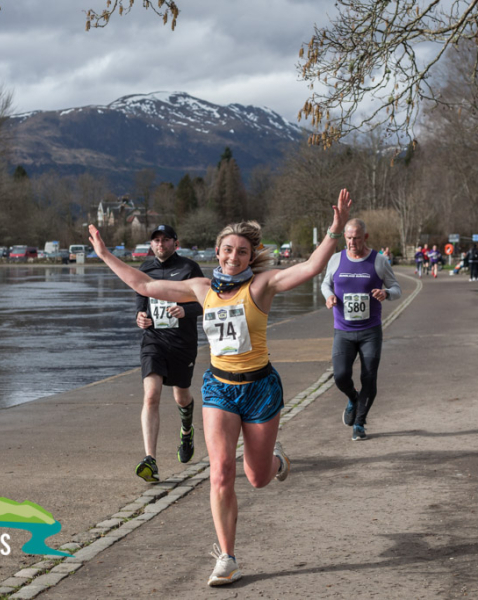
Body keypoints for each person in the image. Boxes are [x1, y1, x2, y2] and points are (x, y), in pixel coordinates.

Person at [88, 189, 352, 587]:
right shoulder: (200, 288)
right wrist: (106, 255)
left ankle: (277, 463)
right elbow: (144, 285)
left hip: (260, 389)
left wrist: (334, 230)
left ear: (251, 256)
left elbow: (312, 268)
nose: (233, 257)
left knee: (258, 477)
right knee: (221, 473)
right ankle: (227, 557)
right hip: (219, 389)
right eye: (227, 250)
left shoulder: (262, 285)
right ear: (217, 251)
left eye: (242, 252)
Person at [133, 224, 205, 483]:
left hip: (182, 343)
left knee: (181, 396)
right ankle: (150, 460)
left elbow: (207, 302)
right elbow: (141, 302)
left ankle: (187, 430)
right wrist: (140, 317)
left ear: (176, 243)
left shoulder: (189, 268)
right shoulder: (146, 269)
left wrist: (187, 311)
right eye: (156, 240)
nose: (160, 244)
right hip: (154, 341)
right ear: (151, 245)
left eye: (165, 240)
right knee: (151, 395)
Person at [321, 219, 402, 441]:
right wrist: (328, 296)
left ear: (365, 237)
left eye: (356, 238)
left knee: (369, 376)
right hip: (343, 330)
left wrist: (386, 294)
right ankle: (352, 398)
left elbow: (396, 288)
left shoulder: (379, 261)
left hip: (370, 331)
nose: (351, 242)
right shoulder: (336, 259)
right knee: (340, 375)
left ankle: (359, 423)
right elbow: (325, 284)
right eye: (348, 238)